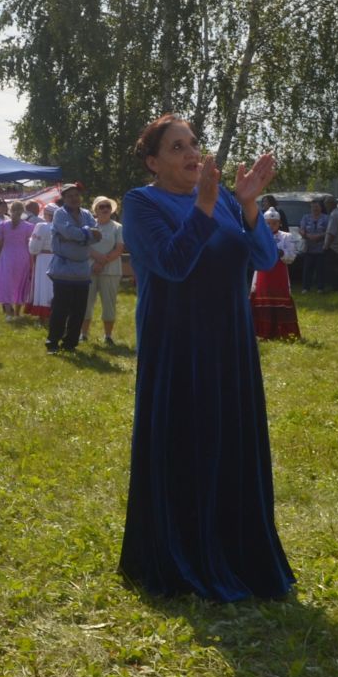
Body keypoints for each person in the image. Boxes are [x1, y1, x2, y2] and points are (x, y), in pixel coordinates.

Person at [120, 114, 291, 602]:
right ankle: (182, 557)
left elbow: (263, 260)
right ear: (153, 162)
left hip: (230, 346)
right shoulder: (140, 203)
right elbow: (173, 264)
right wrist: (206, 205)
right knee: (187, 448)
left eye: (193, 144)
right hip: (177, 349)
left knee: (230, 447)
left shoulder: (226, 205)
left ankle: (235, 552)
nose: (192, 153)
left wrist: (250, 205)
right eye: (177, 148)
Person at [44, 186, 99, 353]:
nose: (74, 198)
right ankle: (53, 342)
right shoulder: (60, 214)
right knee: (60, 308)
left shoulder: (87, 214)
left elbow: (97, 234)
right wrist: (85, 236)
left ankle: (70, 343)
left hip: (82, 270)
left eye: (76, 195)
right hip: (63, 269)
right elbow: (68, 232)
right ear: (64, 198)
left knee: (79, 309)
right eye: (70, 196)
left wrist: (80, 236)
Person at [250, 209, 302, 340]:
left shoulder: (286, 237)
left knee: (280, 300)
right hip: (263, 274)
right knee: (262, 300)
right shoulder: (259, 237)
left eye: (274, 223)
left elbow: (291, 256)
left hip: (279, 275)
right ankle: (263, 331)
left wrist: (282, 253)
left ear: (279, 223)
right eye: (267, 223)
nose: (270, 226)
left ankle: (283, 331)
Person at [88, 196, 125, 347]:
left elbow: (120, 248)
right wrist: (97, 260)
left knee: (109, 304)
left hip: (110, 270)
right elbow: (84, 245)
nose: (105, 209)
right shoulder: (89, 226)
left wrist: (103, 261)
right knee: (86, 302)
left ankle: (108, 336)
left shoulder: (118, 227)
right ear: (95, 210)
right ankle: (83, 334)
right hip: (89, 269)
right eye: (101, 206)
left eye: (107, 206)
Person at [0, 200, 34, 318]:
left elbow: (0, 243)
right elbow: (29, 245)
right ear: (23, 211)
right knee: (20, 283)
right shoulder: (29, 226)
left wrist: (0, 255)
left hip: (7, 255)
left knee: (6, 283)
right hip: (22, 256)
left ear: (10, 210)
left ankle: (8, 313)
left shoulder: (3, 225)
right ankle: (16, 312)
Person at [26, 205, 55, 319]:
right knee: (53, 285)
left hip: (43, 257)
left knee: (43, 283)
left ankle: (43, 310)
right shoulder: (60, 226)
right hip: (56, 258)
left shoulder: (41, 226)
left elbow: (34, 247)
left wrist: (32, 249)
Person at [297, 198, 330, 293]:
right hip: (308, 248)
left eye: (316, 207)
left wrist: (319, 236)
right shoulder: (306, 217)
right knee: (307, 269)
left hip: (321, 247)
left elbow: (329, 231)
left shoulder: (326, 218)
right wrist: (307, 235)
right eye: (313, 207)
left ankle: (320, 288)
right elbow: (301, 229)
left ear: (320, 208)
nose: (314, 209)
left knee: (320, 269)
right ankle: (306, 288)